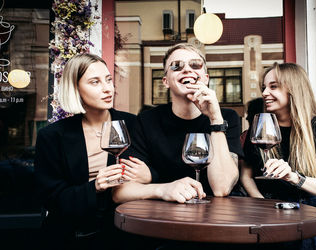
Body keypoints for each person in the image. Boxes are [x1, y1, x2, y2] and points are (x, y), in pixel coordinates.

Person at [34, 53, 151, 249]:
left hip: (123, 236)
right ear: (76, 89)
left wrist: (149, 175)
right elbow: (51, 200)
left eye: (108, 80)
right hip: (70, 237)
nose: (107, 89)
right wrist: (95, 186)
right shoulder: (52, 136)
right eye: (94, 82)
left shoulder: (132, 124)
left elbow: (157, 171)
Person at [112, 43, 243, 204]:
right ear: (165, 81)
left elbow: (222, 188)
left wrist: (215, 120)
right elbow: (120, 192)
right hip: (163, 217)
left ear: (206, 78)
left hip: (218, 216)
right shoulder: (147, 121)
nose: (187, 69)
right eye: (176, 66)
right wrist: (163, 189)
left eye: (195, 65)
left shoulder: (227, 117)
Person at [241, 62, 316, 249]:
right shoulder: (259, 130)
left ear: (293, 88)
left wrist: (293, 177)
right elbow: (246, 177)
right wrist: (262, 204)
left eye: (273, 86)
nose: (264, 93)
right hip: (275, 207)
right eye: (264, 87)